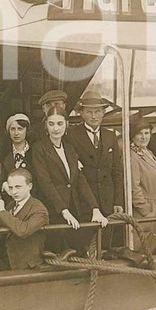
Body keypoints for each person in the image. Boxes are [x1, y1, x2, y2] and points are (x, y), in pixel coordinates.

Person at [30, 108, 108, 254]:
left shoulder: (69, 148)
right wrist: (64, 211)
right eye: (51, 124)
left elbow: (80, 181)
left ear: (66, 124)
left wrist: (95, 208)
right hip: (53, 211)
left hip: (73, 206)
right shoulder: (39, 148)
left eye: (60, 123)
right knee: (59, 249)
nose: (55, 128)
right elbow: (45, 183)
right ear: (46, 125)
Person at [63, 91, 124, 248]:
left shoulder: (111, 136)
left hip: (108, 200)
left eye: (97, 111)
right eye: (89, 112)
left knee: (105, 243)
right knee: (85, 242)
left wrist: (117, 200)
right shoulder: (71, 135)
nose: (94, 116)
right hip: (84, 200)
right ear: (81, 113)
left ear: (103, 113)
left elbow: (117, 171)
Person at [0, 168, 51, 269]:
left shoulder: (39, 209)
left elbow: (23, 231)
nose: (14, 192)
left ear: (29, 186)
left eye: (18, 187)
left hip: (24, 262)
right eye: (11, 188)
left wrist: (2, 212)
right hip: (7, 255)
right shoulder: (10, 206)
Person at [128, 116, 156, 252]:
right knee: (143, 250)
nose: (144, 137)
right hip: (148, 211)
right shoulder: (132, 156)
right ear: (132, 136)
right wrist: (146, 210)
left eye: (146, 133)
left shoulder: (147, 152)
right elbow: (133, 187)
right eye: (140, 133)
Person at [0, 113, 33, 189]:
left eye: (20, 129)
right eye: (13, 129)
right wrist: (4, 185)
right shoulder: (2, 153)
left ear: (27, 130)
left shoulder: (35, 152)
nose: (16, 133)